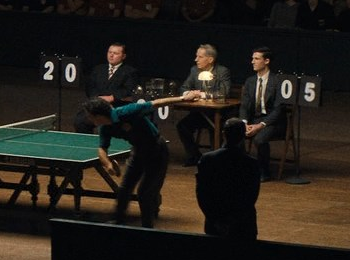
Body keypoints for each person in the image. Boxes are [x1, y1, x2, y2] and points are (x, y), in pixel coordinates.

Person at [85, 91, 201, 228]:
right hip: (138, 151)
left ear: (98, 116)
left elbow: (156, 103)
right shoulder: (105, 128)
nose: (88, 119)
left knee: (144, 193)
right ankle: (118, 221)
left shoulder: (126, 111)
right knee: (124, 189)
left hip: (157, 151)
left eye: (90, 116)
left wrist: (183, 98)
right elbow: (102, 149)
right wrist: (108, 164)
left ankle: (147, 228)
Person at [195, 118, 261, 240]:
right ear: (243, 136)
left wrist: (215, 220)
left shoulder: (207, 159)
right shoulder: (252, 164)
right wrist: (234, 221)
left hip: (215, 222)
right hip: (243, 224)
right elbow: (251, 197)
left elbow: (202, 194)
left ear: (223, 134)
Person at [175, 44, 234, 166]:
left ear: (210, 59)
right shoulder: (194, 70)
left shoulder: (222, 71)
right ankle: (195, 156)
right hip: (200, 113)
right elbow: (183, 88)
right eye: (196, 56)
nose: (196, 59)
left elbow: (224, 93)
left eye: (200, 57)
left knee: (215, 128)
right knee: (182, 126)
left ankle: (215, 160)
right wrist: (189, 93)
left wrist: (201, 94)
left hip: (218, 114)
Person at [239, 47, 287, 181]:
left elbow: (278, 110)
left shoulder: (277, 81)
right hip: (254, 119)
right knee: (234, 134)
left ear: (266, 61)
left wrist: (261, 125)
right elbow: (244, 106)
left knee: (259, 139)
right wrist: (244, 123)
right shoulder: (250, 81)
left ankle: (264, 172)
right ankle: (241, 168)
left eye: (256, 59)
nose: (252, 62)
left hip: (272, 122)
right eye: (252, 58)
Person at [75, 42, 140, 133]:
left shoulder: (130, 72)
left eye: (115, 53)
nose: (111, 55)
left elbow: (128, 90)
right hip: (97, 105)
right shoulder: (98, 69)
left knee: (110, 125)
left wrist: (111, 98)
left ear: (123, 56)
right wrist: (97, 98)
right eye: (110, 52)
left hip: (117, 106)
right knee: (80, 121)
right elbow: (90, 87)